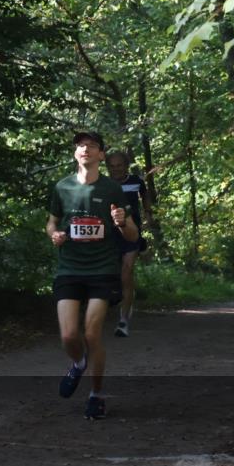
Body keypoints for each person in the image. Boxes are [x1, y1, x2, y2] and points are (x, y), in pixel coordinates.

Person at [46, 132, 137, 420]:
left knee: (91, 333)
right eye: (81, 145)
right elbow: (51, 222)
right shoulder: (62, 187)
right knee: (69, 335)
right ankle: (78, 363)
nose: (86, 149)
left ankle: (96, 394)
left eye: (92, 146)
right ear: (75, 153)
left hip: (102, 270)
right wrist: (55, 234)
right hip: (69, 269)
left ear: (101, 155)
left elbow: (133, 233)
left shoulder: (112, 190)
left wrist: (121, 224)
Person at [105, 150, 150, 338]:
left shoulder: (137, 182)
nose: (116, 169)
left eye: (119, 165)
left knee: (127, 271)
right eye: (112, 166)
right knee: (111, 275)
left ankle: (123, 321)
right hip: (108, 235)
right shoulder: (103, 184)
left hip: (131, 234)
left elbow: (146, 197)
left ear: (126, 165)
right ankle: (118, 300)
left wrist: (148, 214)